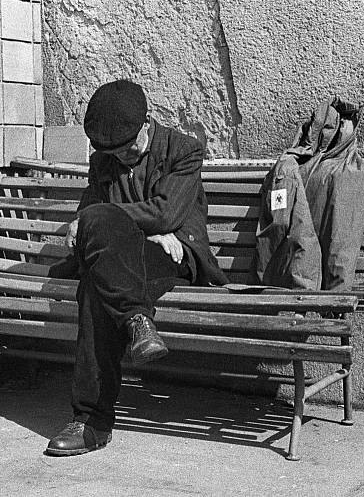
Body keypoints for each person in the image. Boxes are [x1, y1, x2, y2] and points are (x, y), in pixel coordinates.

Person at [44, 80, 228, 456]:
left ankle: (92, 420)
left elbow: (166, 213)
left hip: (172, 258)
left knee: (98, 264)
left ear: (148, 122)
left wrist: (126, 225)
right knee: (97, 280)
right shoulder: (105, 160)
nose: (124, 158)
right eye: (115, 153)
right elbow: (97, 222)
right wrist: (130, 227)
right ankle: (136, 322)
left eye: (131, 149)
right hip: (121, 261)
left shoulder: (184, 151)